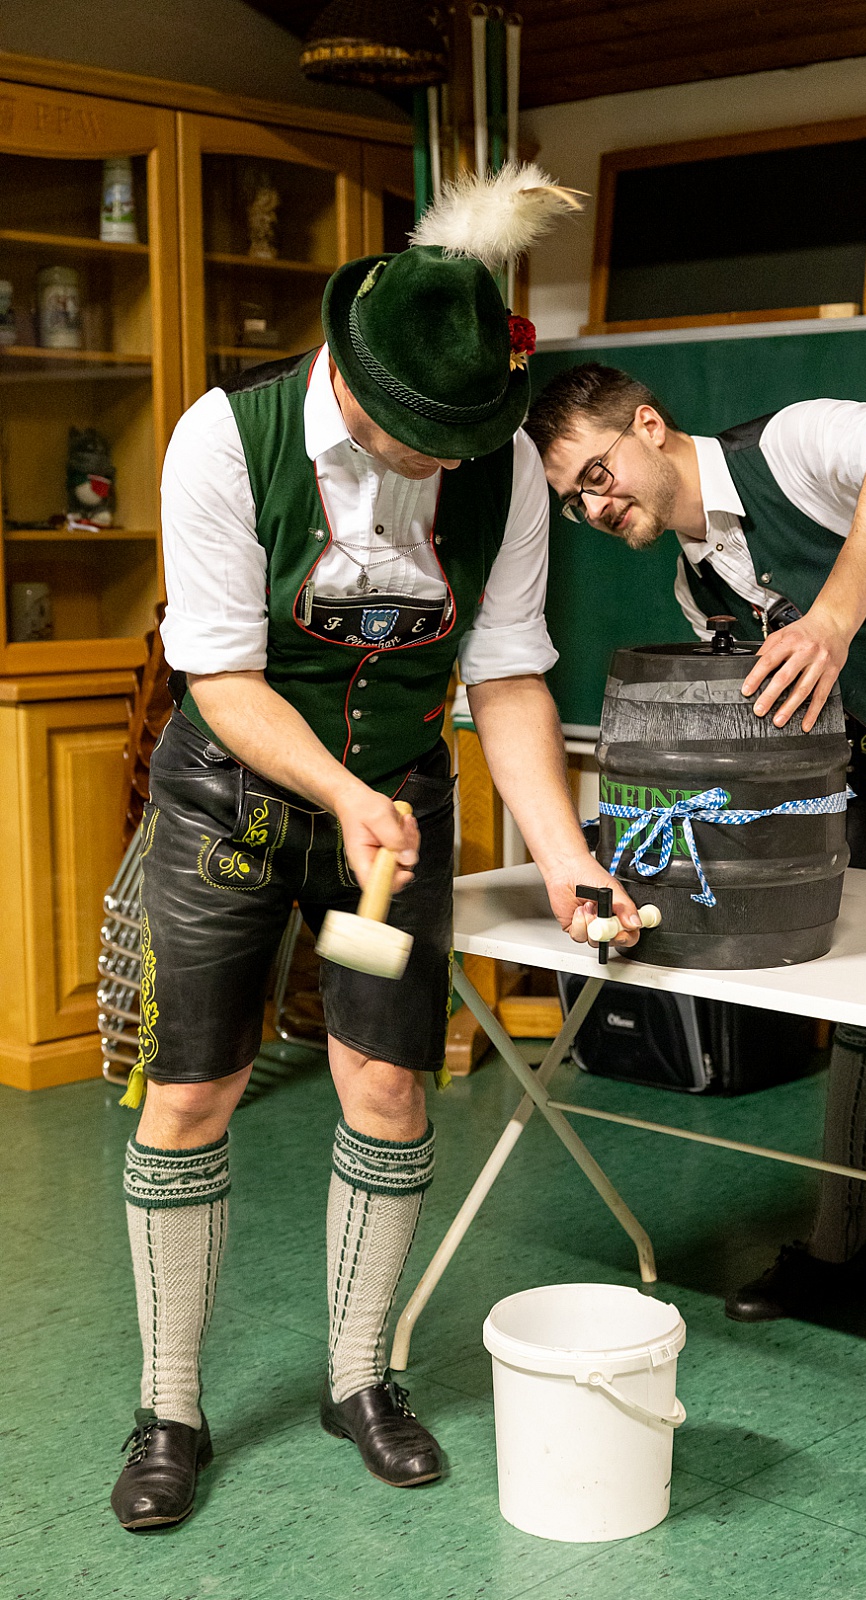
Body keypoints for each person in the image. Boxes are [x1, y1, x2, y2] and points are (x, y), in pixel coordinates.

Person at [109, 178, 643, 1533]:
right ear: (346, 376)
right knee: (194, 1091)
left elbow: (507, 675)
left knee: (390, 1087)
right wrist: (341, 791)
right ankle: (167, 1408)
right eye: (422, 439)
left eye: (463, 441)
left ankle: (360, 1377)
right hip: (231, 804)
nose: (441, 466)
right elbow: (222, 676)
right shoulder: (224, 441)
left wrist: (564, 856)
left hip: (394, 808)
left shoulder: (498, 466)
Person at [526, 361, 866, 1325]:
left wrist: (832, 618)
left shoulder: (788, 446)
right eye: (574, 502)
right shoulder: (697, 586)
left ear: (646, 425)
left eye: (595, 476)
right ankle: (834, 1251)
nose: (593, 508)